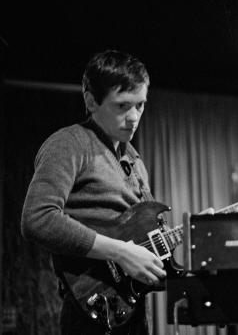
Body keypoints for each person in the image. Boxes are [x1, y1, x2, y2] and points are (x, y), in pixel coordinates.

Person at [21, 50, 165, 334]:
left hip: (131, 310)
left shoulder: (134, 159)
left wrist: (189, 230)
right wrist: (122, 252)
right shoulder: (69, 144)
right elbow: (37, 219)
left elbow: (142, 236)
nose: (134, 117)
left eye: (141, 105)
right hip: (89, 314)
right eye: (123, 106)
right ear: (91, 100)